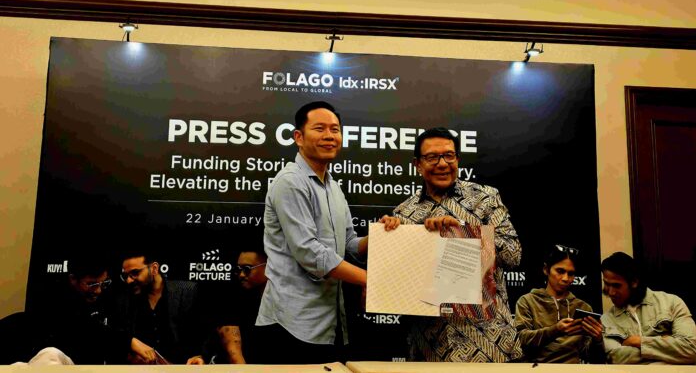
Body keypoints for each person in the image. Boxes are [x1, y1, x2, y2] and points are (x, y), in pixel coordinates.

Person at [256, 101, 398, 364]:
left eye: (335, 129)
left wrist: (381, 235)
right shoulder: (290, 182)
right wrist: (371, 280)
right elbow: (310, 253)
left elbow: (349, 244)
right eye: (319, 128)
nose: (330, 136)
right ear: (298, 137)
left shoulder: (333, 187)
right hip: (291, 324)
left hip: (328, 324)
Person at [391, 127, 522, 362]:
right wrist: (388, 237)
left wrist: (463, 230)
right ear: (417, 164)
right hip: (430, 346)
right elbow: (399, 282)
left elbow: (513, 255)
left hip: (490, 344)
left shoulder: (485, 198)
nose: (442, 163)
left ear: (457, 159)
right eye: (432, 157)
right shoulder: (404, 213)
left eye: (449, 156)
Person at [31, 252, 155, 364]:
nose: (98, 290)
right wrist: (128, 341)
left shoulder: (110, 297)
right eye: (91, 284)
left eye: (104, 283)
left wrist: (127, 355)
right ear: (73, 279)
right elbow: (85, 329)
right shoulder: (56, 300)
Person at [601, 251, 696, 364]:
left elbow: (691, 350)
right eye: (607, 284)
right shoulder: (606, 320)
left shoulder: (671, 303)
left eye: (616, 285)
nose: (610, 292)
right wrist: (666, 342)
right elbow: (616, 359)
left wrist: (637, 341)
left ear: (634, 282)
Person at [514, 244, 604, 363]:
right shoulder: (528, 301)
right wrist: (556, 330)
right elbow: (521, 340)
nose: (565, 278)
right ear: (546, 270)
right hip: (537, 368)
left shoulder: (583, 307)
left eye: (571, 273)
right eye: (560, 271)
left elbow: (589, 355)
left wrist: (598, 340)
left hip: (573, 369)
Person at [114, 250, 206, 364]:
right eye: (125, 276)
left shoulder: (187, 292)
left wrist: (200, 357)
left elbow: (204, 334)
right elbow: (118, 339)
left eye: (135, 272)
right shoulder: (123, 300)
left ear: (154, 268)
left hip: (183, 368)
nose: (129, 280)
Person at [213, 246, 268, 364]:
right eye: (238, 269)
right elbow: (234, 355)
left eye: (247, 269)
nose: (241, 275)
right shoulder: (230, 300)